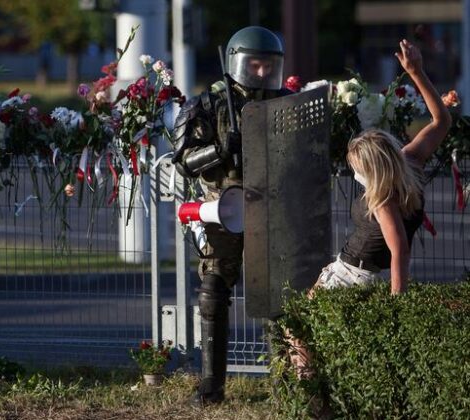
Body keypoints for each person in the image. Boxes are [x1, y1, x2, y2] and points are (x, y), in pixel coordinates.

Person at [288, 39, 451, 382]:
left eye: (357, 170)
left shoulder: (383, 200)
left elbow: (399, 250)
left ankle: (309, 394)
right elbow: (441, 120)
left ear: (372, 171)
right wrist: (416, 72)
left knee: (297, 328)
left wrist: (396, 305)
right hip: (356, 268)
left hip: (352, 273)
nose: (356, 175)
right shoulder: (410, 161)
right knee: (319, 337)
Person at [171, 26, 291, 406]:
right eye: (255, 65)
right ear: (239, 62)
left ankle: (287, 383)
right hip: (222, 205)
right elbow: (183, 162)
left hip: (272, 206)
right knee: (212, 290)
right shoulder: (207, 106)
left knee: (277, 295)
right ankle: (212, 385)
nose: (262, 72)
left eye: (268, 65)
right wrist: (220, 150)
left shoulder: (287, 103)